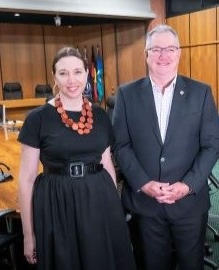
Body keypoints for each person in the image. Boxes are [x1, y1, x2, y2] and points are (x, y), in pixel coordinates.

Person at [112, 24, 219, 270]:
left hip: (189, 203)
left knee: (191, 265)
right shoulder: (126, 94)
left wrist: (188, 185)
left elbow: (212, 145)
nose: (164, 55)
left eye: (170, 49)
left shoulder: (200, 93)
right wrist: (143, 183)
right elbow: (121, 145)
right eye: (156, 49)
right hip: (145, 204)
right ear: (146, 54)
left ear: (179, 53)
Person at [18, 46, 136, 270]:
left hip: (99, 199)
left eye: (77, 72)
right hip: (58, 203)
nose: (71, 79)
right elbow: (27, 179)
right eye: (63, 73)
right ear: (54, 77)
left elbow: (107, 164)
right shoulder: (37, 119)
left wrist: (116, 214)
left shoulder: (100, 115)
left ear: (86, 75)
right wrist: (28, 235)